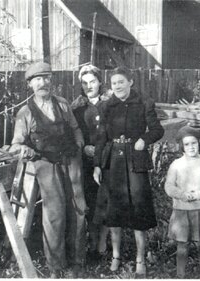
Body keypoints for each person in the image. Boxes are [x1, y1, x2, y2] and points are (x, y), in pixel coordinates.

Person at [10, 62, 87, 278]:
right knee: (54, 215)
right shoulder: (25, 113)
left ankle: (77, 262)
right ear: (30, 84)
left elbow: (75, 128)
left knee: (79, 210)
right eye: (37, 79)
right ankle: (56, 267)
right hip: (45, 165)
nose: (42, 83)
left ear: (51, 81)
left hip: (71, 162)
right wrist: (24, 149)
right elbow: (15, 144)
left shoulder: (62, 104)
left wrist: (79, 143)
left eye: (46, 78)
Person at [93, 66, 164, 277]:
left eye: (121, 82)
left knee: (138, 209)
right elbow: (101, 138)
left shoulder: (144, 103)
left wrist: (145, 139)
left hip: (136, 161)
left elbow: (157, 130)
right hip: (112, 161)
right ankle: (116, 256)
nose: (117, 86)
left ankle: (140, 258)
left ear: (130, 82)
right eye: (114, 83)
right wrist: (97, 164)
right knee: (113, 211)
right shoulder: (106, 107)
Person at [164, 126, 200, 279]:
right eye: (187, 144)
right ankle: (180, 275)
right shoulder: (176, 164)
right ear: (182, 146)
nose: (191, 147)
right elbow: (169, 186)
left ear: (199, 144)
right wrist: (182, 195)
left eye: (194, 143)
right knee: (182, 245)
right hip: (182, 210)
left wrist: (198, 195)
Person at [71, 65, 109, 259]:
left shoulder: (110, 103)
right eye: (84, 83)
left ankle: (103, 243)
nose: (89, 86)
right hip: (85, 162)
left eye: (92, 81)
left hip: (107, 159)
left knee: (107, 201)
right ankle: (92, 244)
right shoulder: (76, 107)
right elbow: (71, 133)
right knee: (91, 202)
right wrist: (83, 147)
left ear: (100, 81)